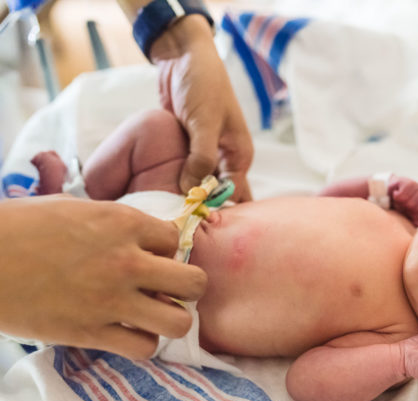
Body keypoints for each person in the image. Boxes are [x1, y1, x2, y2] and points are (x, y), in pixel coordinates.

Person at [31, 109, 418, 401]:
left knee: (75, 278)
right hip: (183, 207)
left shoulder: (398, 332)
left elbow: (311, 385)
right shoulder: (395, 222)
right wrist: (366, 187)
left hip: (166, 295)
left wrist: (398, 361)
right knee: (157, 130)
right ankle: (80, 195)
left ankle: (54, 234)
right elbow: (312, 208)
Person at [0, 0, 253, 359]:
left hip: (162, 200)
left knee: (159, 129)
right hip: (148, 292)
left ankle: (76, 196)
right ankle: (66, 202)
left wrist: (177, 34)